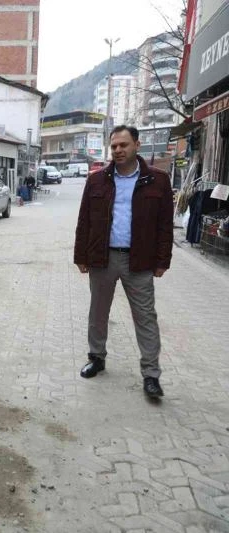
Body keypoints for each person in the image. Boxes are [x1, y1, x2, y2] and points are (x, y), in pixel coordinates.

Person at [74, 125, 173, 398]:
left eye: (124, 145)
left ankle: (151, 375)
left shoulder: (158, 181)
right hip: (102, 258)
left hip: (139, 261)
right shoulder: (97, 181)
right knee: (98, 313)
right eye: (114, 146)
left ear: (137, 145)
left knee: (145, 318)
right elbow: (84, 221)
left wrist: (162, 260)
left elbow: (165, 226)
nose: (118, 150)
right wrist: (80, 256)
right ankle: (97, 357)